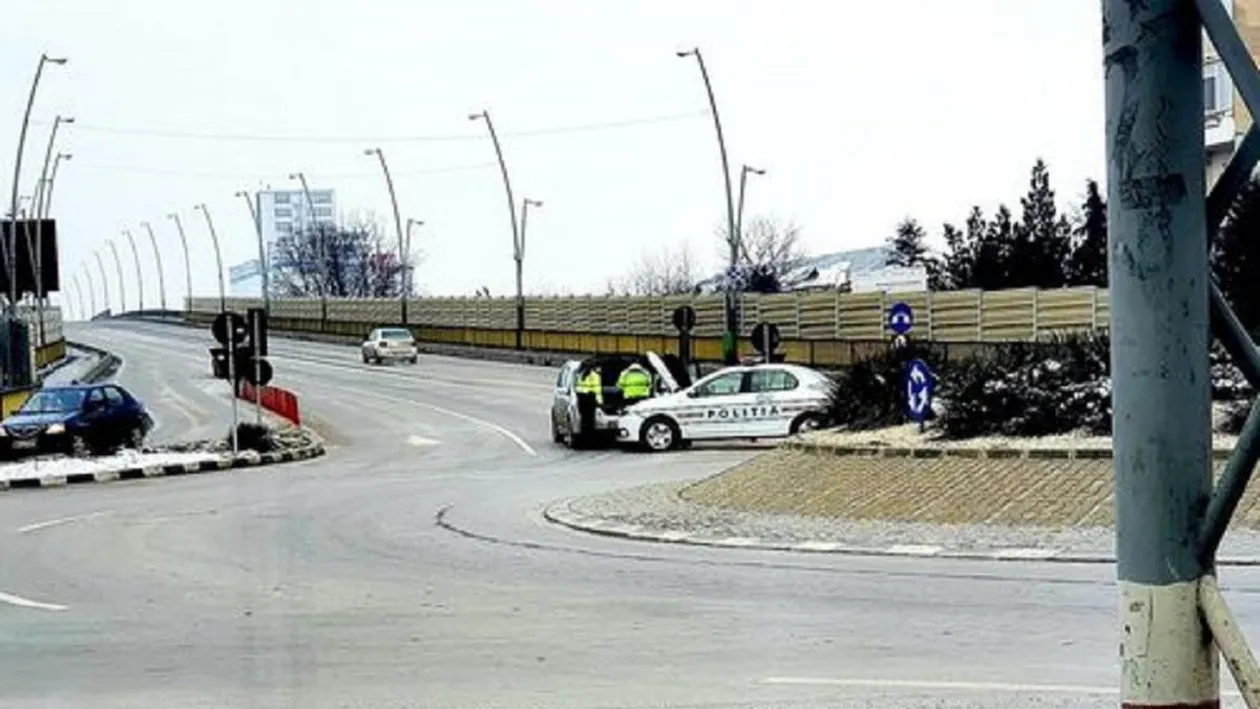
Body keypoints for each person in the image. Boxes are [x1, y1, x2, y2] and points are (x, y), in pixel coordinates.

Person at [574, 365, 603, 439]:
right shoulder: (595, 376)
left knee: (584, 420)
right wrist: (600, 402)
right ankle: (589, 437)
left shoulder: (581, 375)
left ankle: (584, 437)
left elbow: (578, 388)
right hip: (590, 399)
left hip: (582, 399)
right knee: (590, 421)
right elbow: (597, 390)